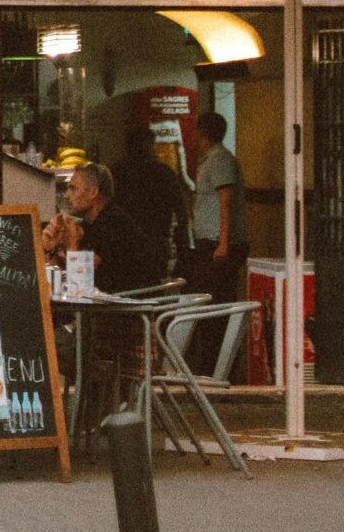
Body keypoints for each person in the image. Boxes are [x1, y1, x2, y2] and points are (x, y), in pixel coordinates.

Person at [182, 111, 244, 372]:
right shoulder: (207, 161)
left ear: (203, 132)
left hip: (218, 243)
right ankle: (207, 363)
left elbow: (225, 201)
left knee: (214, 303)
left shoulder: (219, 160)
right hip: (208, 240)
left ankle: (214, 366)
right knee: (206, 299)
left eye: (196, 131)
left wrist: (224, 243)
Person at [44, 162, 161, 296]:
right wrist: (50, 248)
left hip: (131, 307)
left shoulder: (113, 224)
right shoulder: (90, 224)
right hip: (105, 304)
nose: (66, 195)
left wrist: (72, 243)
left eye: (73, 188)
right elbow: (64, 278)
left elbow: (80, 288)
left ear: (93, 192)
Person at [109, 126, 191, 282]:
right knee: (154, 289)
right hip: (156, 243)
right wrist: (183, 247)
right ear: (150, 145)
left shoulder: (117, 172)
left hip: (124, 244)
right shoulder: (164, 172)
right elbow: (181, 212)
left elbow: (108, 209)